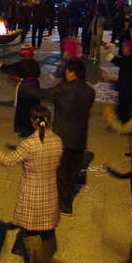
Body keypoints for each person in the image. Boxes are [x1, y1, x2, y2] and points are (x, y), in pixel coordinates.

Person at [0, 105, 63, 263]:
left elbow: (7, 161)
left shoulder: (29, 144)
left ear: (33, 122)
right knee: (48, 231)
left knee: (31, 233)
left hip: (32, 195)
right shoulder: (57, 140)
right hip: (51, 193)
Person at [40, 58, 95, 215]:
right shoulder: (90, 92)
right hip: (79, 138)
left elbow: (43, 94)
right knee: (71, 172)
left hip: (63, 137)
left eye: (66, 70)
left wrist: (26, 85)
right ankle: (65, 199)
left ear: (71, 72)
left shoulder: (63, 89)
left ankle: (64, 206)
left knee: (62, 173)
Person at [1, 45, 41, 137]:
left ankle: (24, 130)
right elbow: (38, 74)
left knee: (23, 109)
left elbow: (8, 69)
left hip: (24, 88)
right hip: (35, 86)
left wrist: (1, 65)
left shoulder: (20, 64)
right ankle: (33, 128)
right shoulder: (35, 64)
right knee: (33, 108)